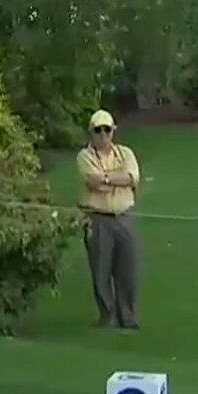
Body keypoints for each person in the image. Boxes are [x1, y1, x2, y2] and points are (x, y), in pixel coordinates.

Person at [76, 109, 142, 330]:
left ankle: (128, 316)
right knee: (101, 271)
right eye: (98, 130)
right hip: (98, 219)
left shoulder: (125, 153)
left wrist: (106, 178)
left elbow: (133, 178)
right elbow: (94, 183)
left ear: (113, 131)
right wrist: (117, 179)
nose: (103, 135)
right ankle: (108, 316)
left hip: (123, 217)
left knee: (127, 270)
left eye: (107, 130)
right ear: (91, 133)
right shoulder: (85, 156)